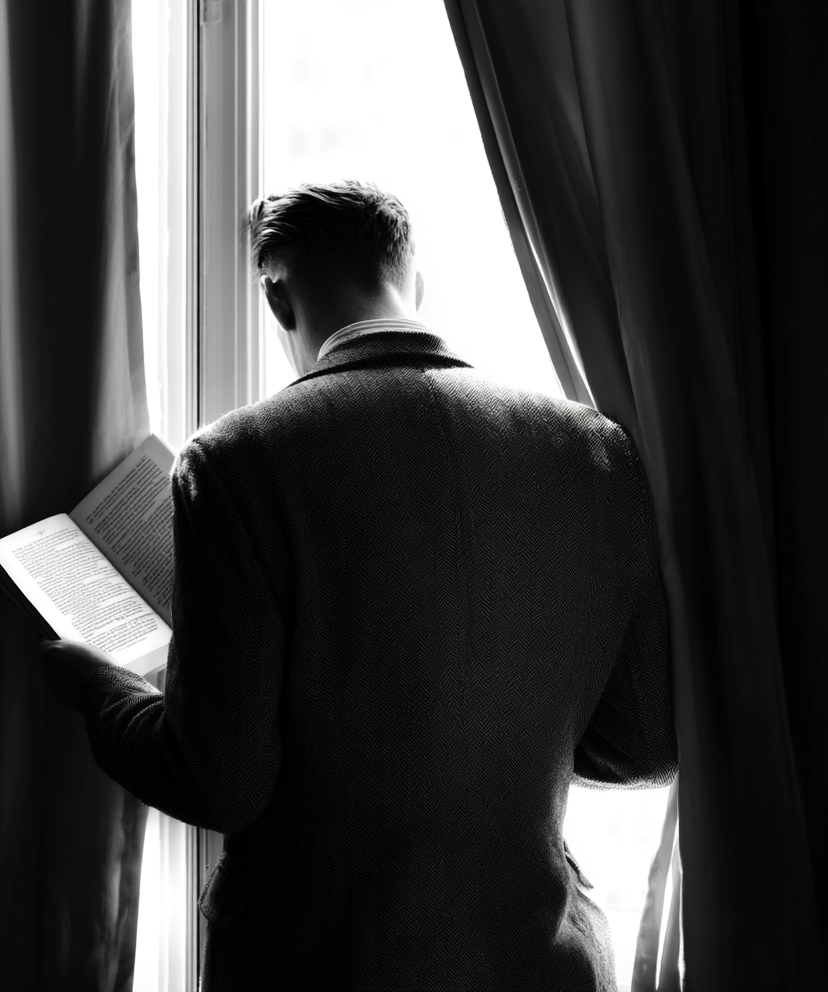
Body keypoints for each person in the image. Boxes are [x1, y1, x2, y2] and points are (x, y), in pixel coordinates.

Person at [41, 181, 677, 991]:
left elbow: (218, 779)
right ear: (413, 282)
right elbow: (648, 743)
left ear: (276, 297)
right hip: (543, 964)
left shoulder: (240, 460)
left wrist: (101, 688)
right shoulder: (594, 452)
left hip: (319, 962)